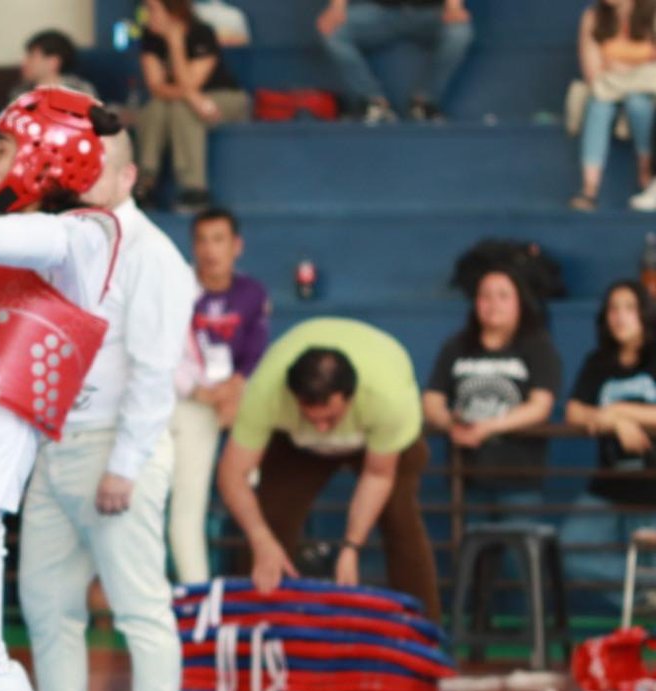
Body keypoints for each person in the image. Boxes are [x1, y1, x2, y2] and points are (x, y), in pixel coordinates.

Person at [0, 117, 192, 691]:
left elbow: (155, 372)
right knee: (47, 609)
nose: (80, 178)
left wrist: (125, 465)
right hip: (52, 443)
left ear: (128, 176)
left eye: (95, 168)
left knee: (140, 611)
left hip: (115, 448)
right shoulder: (64, 238)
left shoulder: (152, 254)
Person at [217, 320, 442, 620]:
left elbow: (378, 476)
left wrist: (351, 546)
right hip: (296, 444)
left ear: (350, 396)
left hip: (377, 443)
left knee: (401, 520)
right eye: (312, 417)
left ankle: (424, 629)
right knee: (269, 523)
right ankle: (258, 627)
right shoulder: (265, 392)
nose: (322, 429)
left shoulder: (388, 397)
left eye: (330, 418)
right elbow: (232, 474)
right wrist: (261, 538)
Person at [172, 207, 268, 585]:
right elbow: (162, 351)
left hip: (236, 401)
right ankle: (196, 593)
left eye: (219, 240)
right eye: (202, 240)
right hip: (186, 404)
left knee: (252, 489)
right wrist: (199, 391)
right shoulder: (177, 288)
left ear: (236, 245)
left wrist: (234, 389)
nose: (210, 250)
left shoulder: (252, 293)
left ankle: (253, 583)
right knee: (185, 506)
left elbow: (256, 353)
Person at [423, 269, 560, 513]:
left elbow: (540, 406)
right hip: (466, 474)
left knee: (519, 535)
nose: (493, 303)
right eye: (485, 296)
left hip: (518, 478)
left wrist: (487, 428)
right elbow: (431, 400)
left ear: (519, 302)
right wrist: (449, 423)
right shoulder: (456, 346)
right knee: (470, 537)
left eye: (503, 296)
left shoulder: (538, 346)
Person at [562, 281, 656, 598]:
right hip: (609, 485)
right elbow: (574, 411)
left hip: (651, 487)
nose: (620, 316)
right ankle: (645, 588)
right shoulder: (598, 362)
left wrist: (617, 411)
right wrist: (616, 423)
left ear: (645, 313)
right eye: (613, 308)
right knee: (571, 550)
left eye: (629, 308)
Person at [137, 0, 250, 213]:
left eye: (152, 9)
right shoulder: (150, 37)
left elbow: (190, 82)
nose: (146, 14)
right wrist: (194, 98)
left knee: (182, 110)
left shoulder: (202, 33)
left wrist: (175, 43)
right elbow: (156, 87)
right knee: (154, 109)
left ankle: (194, 189)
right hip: (184, 100)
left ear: (173, 12)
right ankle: (145, 181)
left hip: (222, 96)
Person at [316, 0, 474, 124]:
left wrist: (454, 7)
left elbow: (454, 14)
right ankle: (374, 102)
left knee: (458, 34)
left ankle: (424, 103)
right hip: (382, 11)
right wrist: (336, 8)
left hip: (431, 12)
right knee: (335, 33)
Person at [573, 1, 656, 212]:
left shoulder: (652, 11)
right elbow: (593, 74)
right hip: (607, 90)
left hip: (641, 92)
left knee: (638, 104)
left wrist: (620, 70)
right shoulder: (593, 17)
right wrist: (636, 71)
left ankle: (646, 175)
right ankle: (589, 189)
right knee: (598, 106)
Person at [14, 29, 99, 99]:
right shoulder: (21, 92)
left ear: (53, 62)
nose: (24, 63)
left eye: (32, 57)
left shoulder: (80, 91)